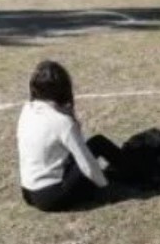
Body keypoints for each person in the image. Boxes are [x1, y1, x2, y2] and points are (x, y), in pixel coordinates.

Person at [17, 60, 124, 212]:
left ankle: (127, 167)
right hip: (51, 197)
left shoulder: (27, 109)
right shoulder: (62, 122)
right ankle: (135, 171)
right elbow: (86, 163)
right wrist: (105, 187)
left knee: (89, 148)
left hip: (28, 191)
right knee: (98, 143)